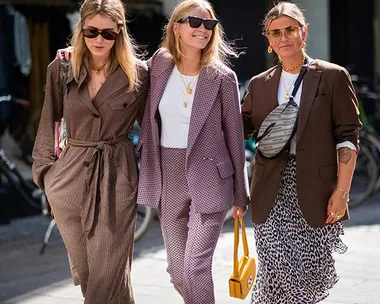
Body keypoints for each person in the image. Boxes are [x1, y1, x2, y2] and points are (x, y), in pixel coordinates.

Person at [237, 2, 362, 303]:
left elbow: (348, 136)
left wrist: (342, 191)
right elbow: (239, 130)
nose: (284, 38)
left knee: (305, 277)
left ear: (303, 32)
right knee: (278, 268)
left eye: (290, 29)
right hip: (269, 190)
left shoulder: (333, 76)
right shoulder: (259, 84)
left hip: (316, 191)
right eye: (275, 32)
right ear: (268, 40)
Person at [32, 0, 149, 303]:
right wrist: (45, 174)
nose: (99, 39)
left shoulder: (138, 74)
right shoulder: (61, 68)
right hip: (68, 182)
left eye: (108, 34)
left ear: (120, 33)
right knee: (91, 277)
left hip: (117, 180)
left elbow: (152, 128)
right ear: (81, 30)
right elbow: (49, 119)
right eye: (91, 31)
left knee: (106, 278)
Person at [136, 0, 250, 303]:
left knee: (195, 267)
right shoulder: (159, 64)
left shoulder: (223, 77)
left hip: (212, 176)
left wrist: (241, 193)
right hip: (168, 175)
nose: (203, 30)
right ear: (177, 27)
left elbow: (235, 136)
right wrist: (75, 54)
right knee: (177, 270)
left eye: (209, 25)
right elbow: (125, 69)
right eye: (195, 23)